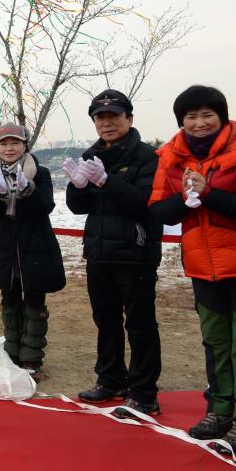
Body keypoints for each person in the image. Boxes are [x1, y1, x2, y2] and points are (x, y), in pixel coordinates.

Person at [149, 86, 236, 456]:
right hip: (202, 265)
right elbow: (158, 210)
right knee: (216, 342)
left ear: (221, 116)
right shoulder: (170, 156)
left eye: (207, 115)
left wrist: (208, 194)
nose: (199, 123)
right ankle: (220, 410)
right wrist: (184, 200)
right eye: (190, 116)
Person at [63, 89, 162, 418]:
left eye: (114, 116)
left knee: (140, 324)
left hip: (135, 252)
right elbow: (79, 208)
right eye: (100, 118)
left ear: (129, 119)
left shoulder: (146, 157)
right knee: (105, 319)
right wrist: (77, 187)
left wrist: (107, 182)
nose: (107, 123)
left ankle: (144, 392)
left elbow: (144, 202)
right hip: (99, 251)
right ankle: (110, 379)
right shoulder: (92, 154)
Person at [0, 124, 65, 380]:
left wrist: (29, 191)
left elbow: (46, 206)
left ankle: (32, 358)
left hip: (34, 245)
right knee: (9, 298)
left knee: (35, 301)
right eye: (4, 144)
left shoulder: (41, 172)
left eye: (15, 143)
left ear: (25, 145)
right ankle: (12, 352)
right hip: (3, 246)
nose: (9, 148)